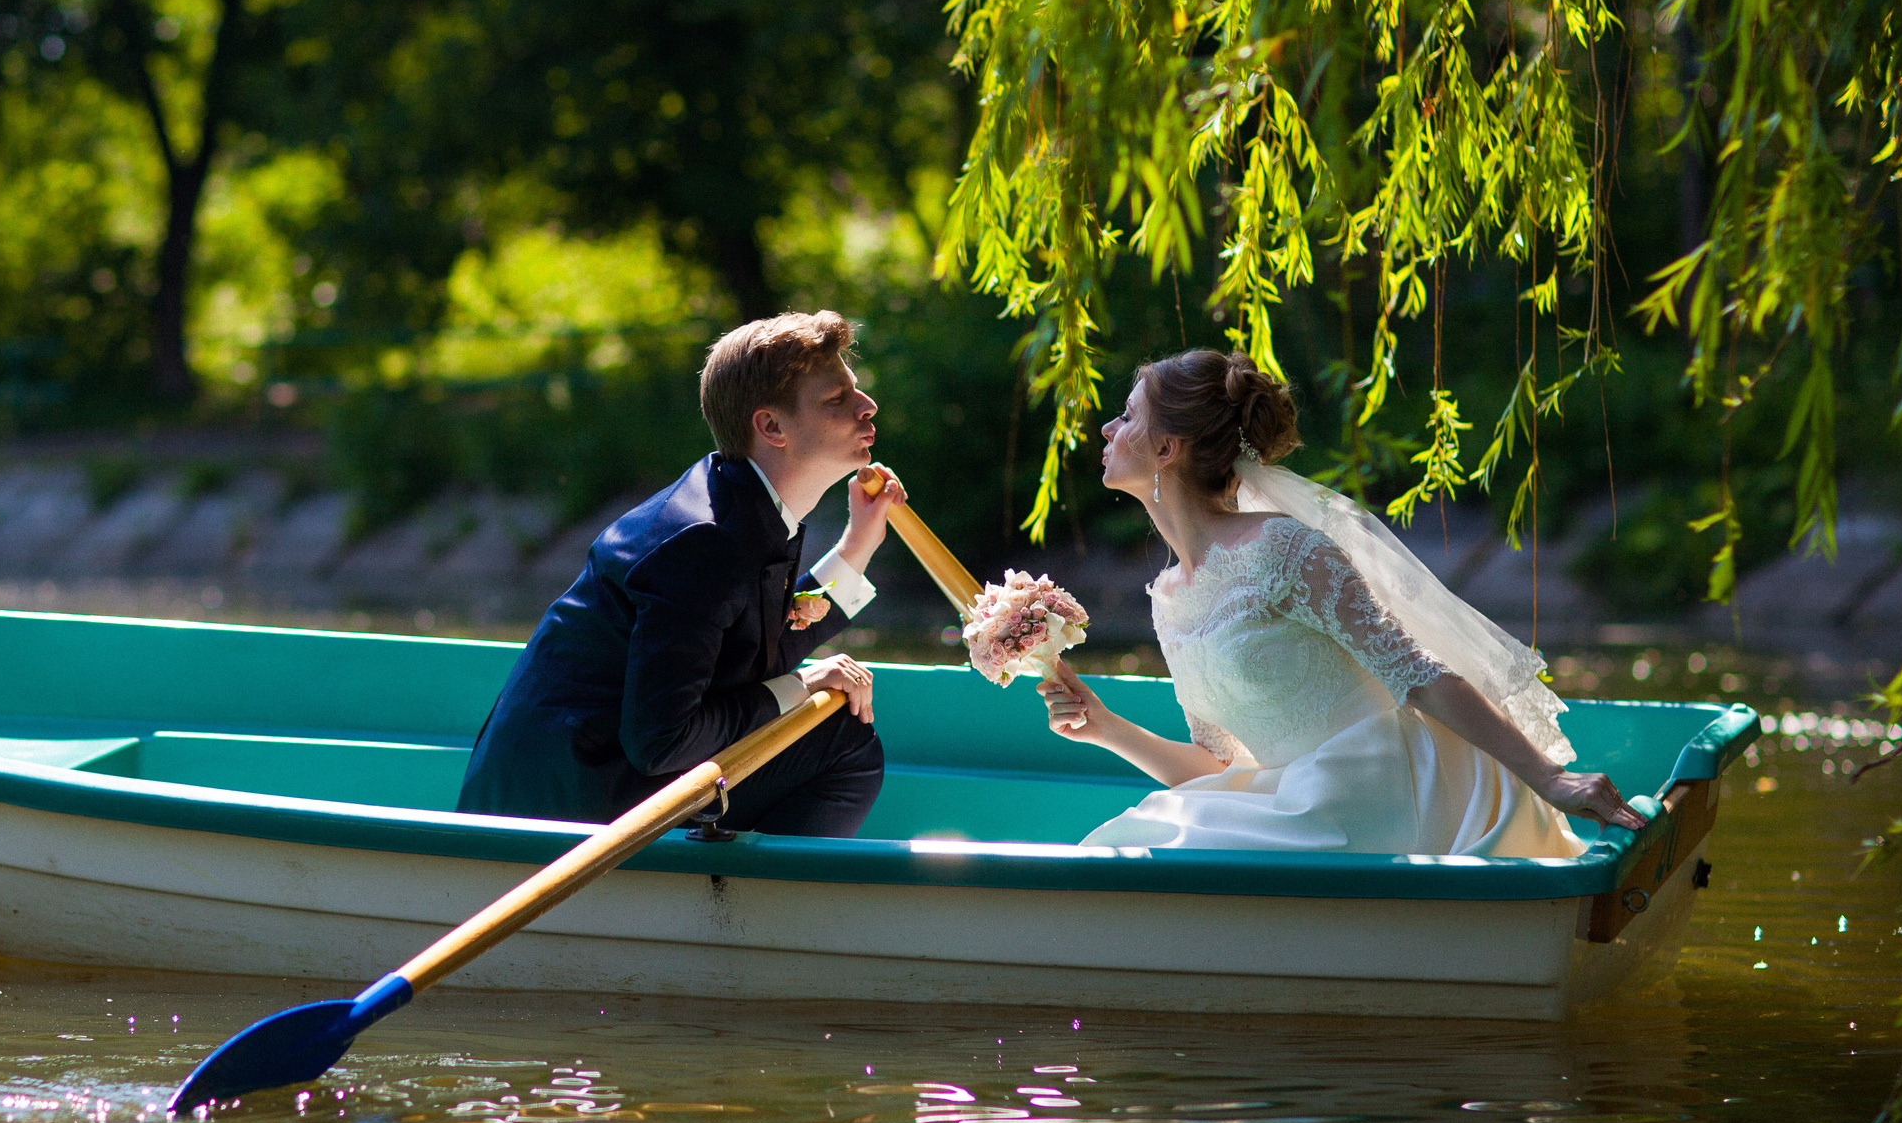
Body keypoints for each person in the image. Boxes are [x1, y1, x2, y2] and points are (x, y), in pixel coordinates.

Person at [1035, 347, 1645, 855]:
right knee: (1132, 835)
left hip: (1383, 783)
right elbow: (1221, 770)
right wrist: (1104, 726)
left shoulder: (1282, 548)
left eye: (1128, 415)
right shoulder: (1169, 598)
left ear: (1168, 449)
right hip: (1290, 795)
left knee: (1161, 844)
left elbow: (1417, 672)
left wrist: (1551, 778)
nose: (1109, 430)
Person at [456, 311, 906, 836]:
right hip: (556, 814)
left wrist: (858, 544)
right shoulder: (704, 541)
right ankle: (764, 915)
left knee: (827, 729)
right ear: (772, 427)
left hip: (592, 777)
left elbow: (747, 656)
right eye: (836, 399)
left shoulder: (736, 504)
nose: (867, 404)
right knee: (842, 742)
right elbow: (663, 742)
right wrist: (801, 685)